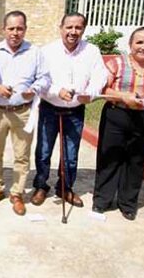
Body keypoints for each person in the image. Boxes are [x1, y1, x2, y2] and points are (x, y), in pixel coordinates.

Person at [92, 27, 144, 220]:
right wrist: (123, 96)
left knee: (136, 160)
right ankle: (102, 200)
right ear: (130, 44)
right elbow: (103, 88)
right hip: (117, 114)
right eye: (139, 42)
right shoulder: (117, 64)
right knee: (109, 157)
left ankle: (128, 203)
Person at [31, 13, 107, 208]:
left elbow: (100, 77)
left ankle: (65, 188)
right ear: (61, 28)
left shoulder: (92, 51)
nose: (73, 32)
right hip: (50, 109)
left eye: (78, 28)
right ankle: (40, 186)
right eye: (69, 27)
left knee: (70, 155)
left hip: (75, 111)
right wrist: (57, 91)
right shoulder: (47, 51)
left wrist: (90, 93)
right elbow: (40, 79)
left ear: (83, 29)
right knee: (43, 151)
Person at [0, 10, 50, 216]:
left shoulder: (35, 52)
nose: (15, 33)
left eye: (19, 28)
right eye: (11, 28)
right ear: (3, 29)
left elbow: (45, 78)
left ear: (25, 29)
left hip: (23, 112)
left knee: (22, 155)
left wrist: (34, 89)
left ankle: (17, 193)